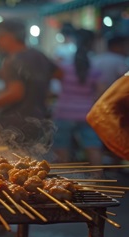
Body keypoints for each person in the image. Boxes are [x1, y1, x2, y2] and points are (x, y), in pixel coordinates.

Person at [0, 19, 62, 155]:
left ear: (9, 37)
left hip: (17, 124)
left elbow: (16, 93)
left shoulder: (12, 60)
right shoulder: (39, 55)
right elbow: (59, 74)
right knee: (33, 162)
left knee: (16, 165)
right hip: (40, 119)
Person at [51, 29, 102, 165]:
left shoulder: (64, 67)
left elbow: (51, 80)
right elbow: (100, 93)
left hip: (64, 112)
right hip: (87, 113)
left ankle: (64, 181)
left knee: (62, 148)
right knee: (93, 147)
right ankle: (98, 178)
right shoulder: (95, 67)